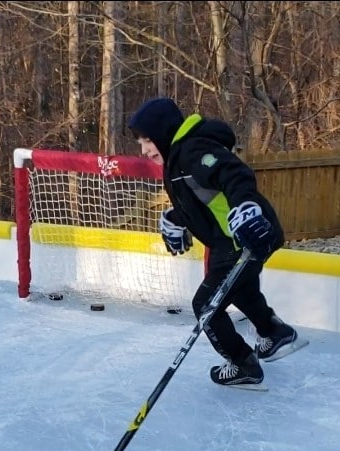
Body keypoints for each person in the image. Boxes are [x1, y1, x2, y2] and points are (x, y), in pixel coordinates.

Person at [127, 97, 301, 389]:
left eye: (147, 140)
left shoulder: (193, 151)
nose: (144, 150)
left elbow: (234, 176)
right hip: (231, 241)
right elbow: (200, 202)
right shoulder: (177, 159)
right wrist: (175, 218)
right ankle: (275, 333)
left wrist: (246, 208)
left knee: (206, 304)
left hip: (243, 238)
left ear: (163, 132)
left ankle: (243, 363)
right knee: (239, 290)